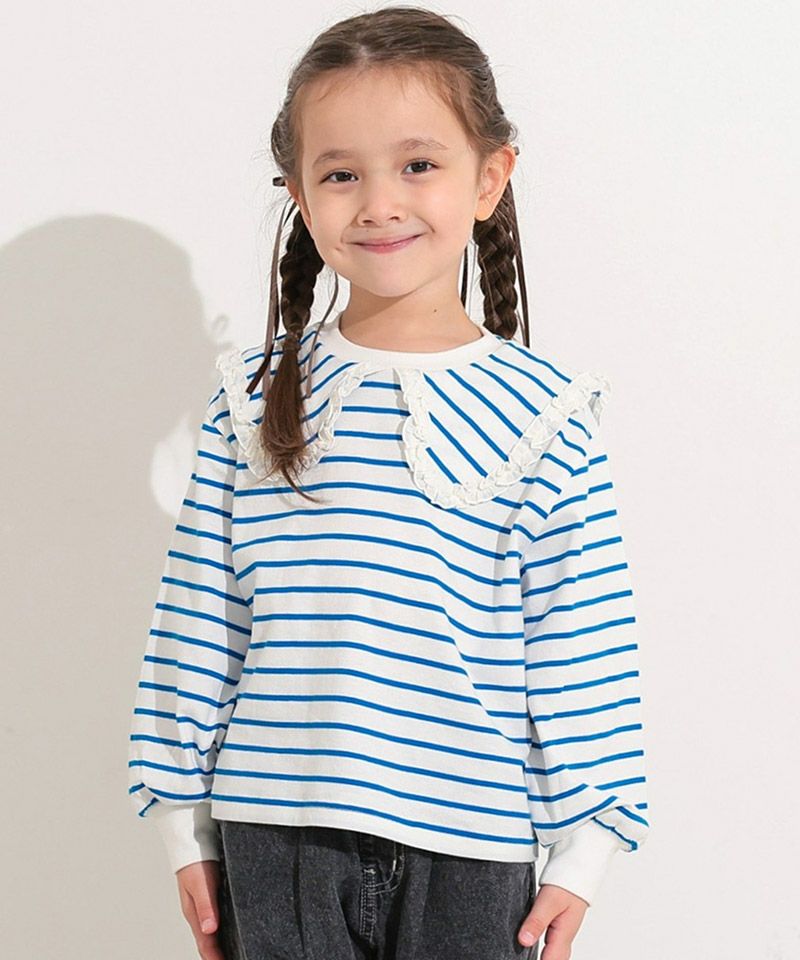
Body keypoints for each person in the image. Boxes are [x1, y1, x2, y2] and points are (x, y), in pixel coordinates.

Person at [127, 7, 651, 959]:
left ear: (489, 177)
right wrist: (180, 824)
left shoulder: (549, 415)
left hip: (473, 851)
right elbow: (199, 620)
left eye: (417, 165)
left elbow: (578, 641)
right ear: (298, 192)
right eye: (341, 174)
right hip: (274, 837)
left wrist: (586, 852)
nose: (378, 204)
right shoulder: (250, 400)